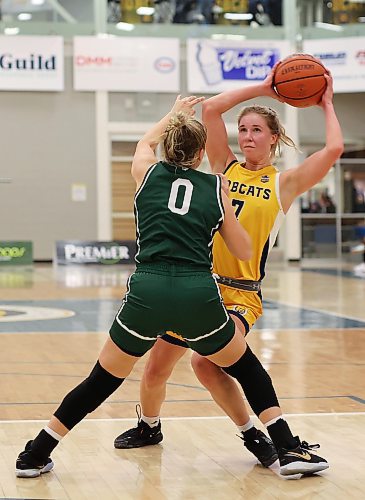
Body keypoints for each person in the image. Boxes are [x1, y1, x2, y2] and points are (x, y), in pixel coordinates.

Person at [114, 64, 343, 477]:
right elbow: (213, 110)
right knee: (154, 370)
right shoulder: (224, 168)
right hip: (196, 284)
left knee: (206, 363)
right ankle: (149, 427)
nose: (247, 137)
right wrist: (267, 88)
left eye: (256, 130)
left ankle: (258, 436)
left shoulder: (284, 184)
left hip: (239, 293)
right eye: (243, 130)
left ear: (274, 138)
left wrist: (325, 104)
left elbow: (333, 152)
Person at [15, 94, 255, 478]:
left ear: (166, 148)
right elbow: (242, 249)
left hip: (148, 291)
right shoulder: (214, 187)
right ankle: (269, 440)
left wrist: (174, 113)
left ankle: (36, 452)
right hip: (198, 293)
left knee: (101, 381)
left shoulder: (149, 172)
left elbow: (144, 144)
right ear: (199, 155)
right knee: (243, 368)